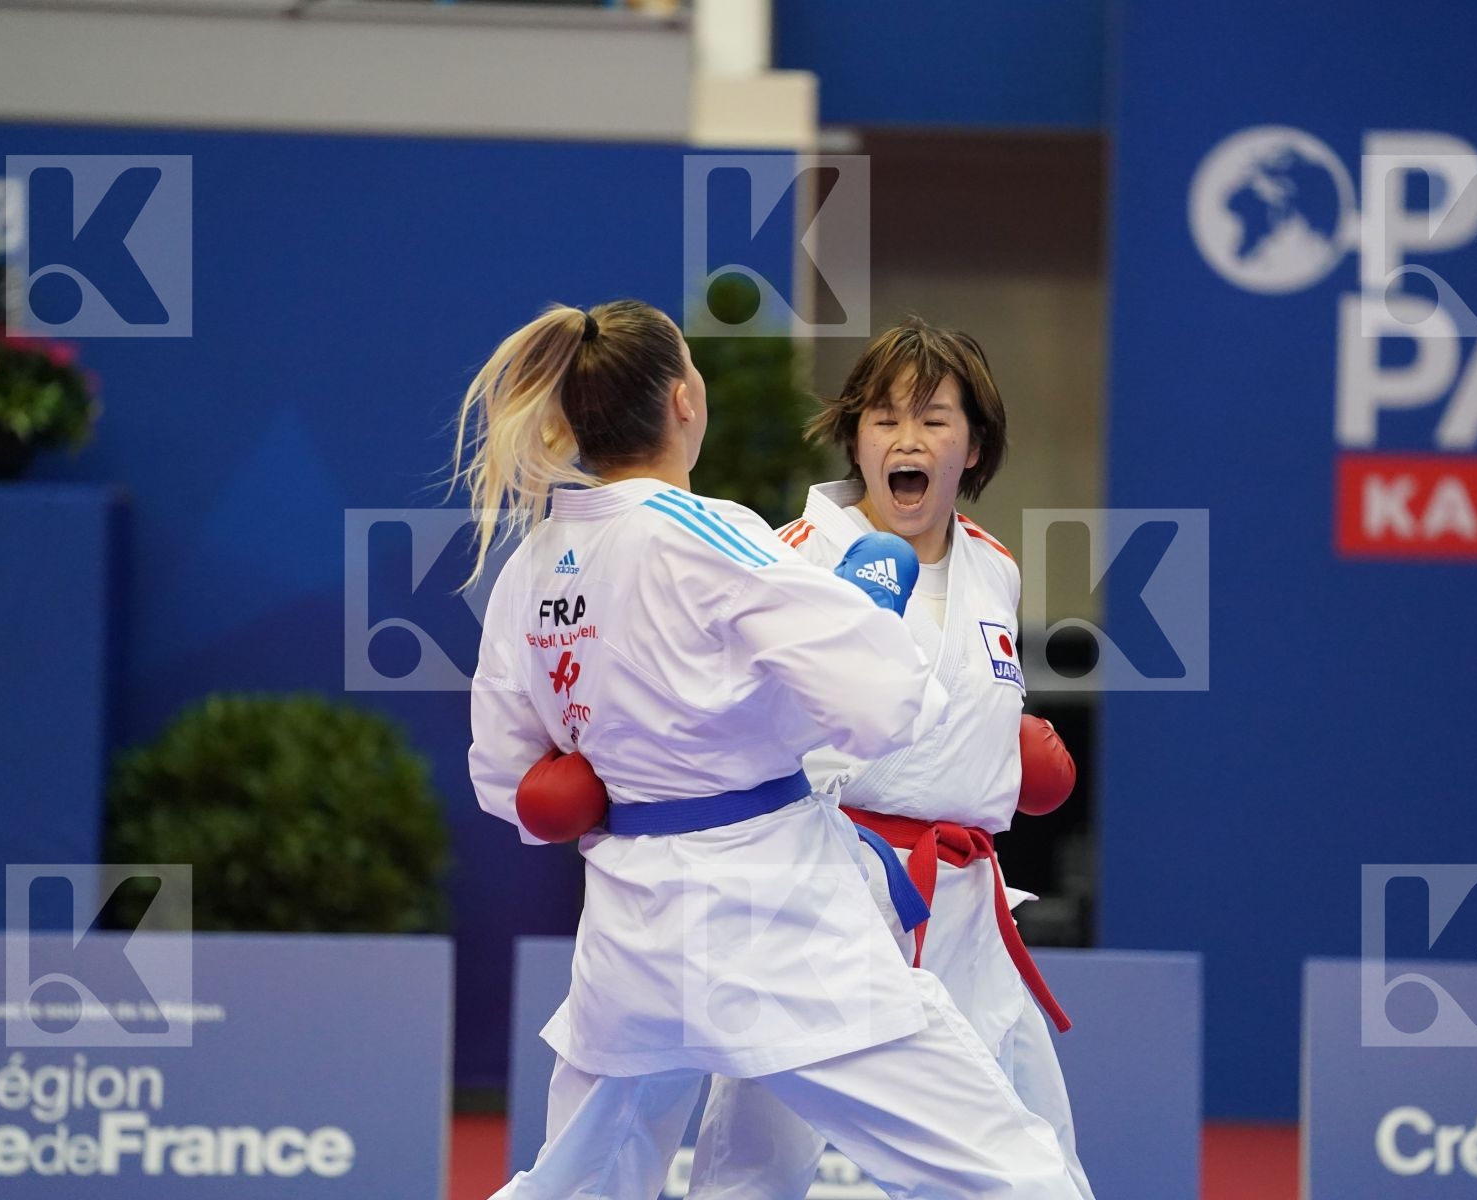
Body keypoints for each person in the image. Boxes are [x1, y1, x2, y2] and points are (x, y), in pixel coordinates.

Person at [458, 300, 1084, 1199]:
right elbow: (884, 703)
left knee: (578, 1184)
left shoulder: (532, 564)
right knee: (1015, 1174)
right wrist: (873, 614)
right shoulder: (714, 532)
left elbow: (507, 778)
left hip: (630, 930)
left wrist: (596, 776)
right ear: (684, 400)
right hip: (773, 918)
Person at [687, 318, 1096, 1200]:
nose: (907, 439)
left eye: (934, 419)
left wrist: (1000, 751)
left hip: (965, 901)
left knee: (1036, 1153)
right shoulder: (790, 562)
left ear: (973, 446)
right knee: (760, 1157)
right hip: (823, 892)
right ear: (855, 439)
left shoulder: (995, 568)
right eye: (883, 418)